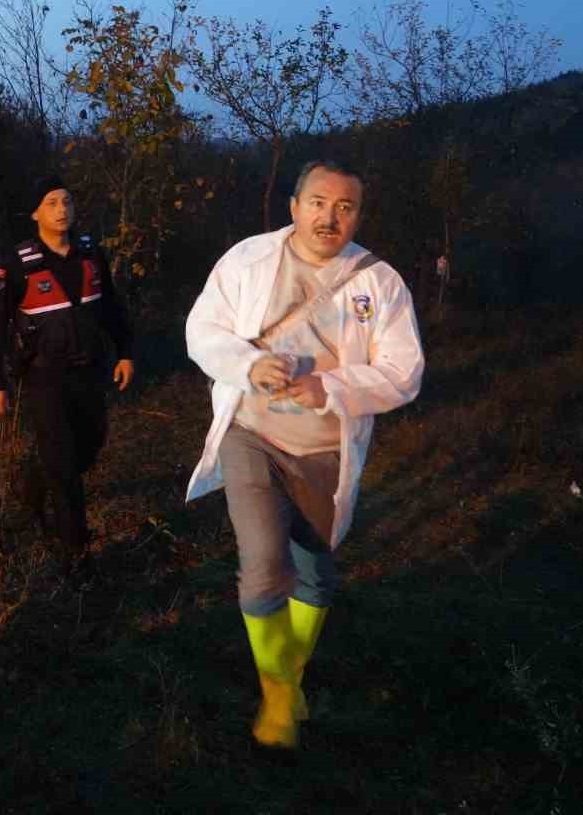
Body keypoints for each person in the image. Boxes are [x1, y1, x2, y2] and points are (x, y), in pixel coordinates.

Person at [184, 159, 424, 750]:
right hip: (251, 433)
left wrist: (332, 388)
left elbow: (404, 373)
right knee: (263, 564)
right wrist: (246, 364)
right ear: (294, 206)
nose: (329, 216)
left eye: (345, 206)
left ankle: (288, 678)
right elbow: (202, 330)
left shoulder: (380, 282)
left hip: (323, 449)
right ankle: (278, 691)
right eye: (318, 202)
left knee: (313, 572)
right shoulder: (247, 259)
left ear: (358, 215)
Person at [0, 176, 133, 583]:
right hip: (43, 377)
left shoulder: (89, 253)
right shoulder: (16, 261)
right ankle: (77, 553)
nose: (62, 209)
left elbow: (113, 308)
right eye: (52, 203)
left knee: (90, 444)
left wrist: (126, 352)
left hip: (89, 372)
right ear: (36, 213)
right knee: (64, 466)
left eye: (67, 201)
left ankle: (34, 480)